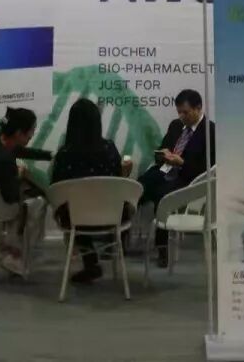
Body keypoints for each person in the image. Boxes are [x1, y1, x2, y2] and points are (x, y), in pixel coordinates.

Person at [50, 98, 133, 284]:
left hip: (76, 220)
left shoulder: (64, 155)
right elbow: (117, 181)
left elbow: (56, 188)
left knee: (71, 207)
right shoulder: (109, 148)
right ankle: (106, 253)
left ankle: (90, 262)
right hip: (112, 216)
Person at [138, 89, 215, 268]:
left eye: (185, 112)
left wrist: (181, 163)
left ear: (198, 108)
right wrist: (163, 154)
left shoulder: (210, 131)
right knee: (137, 187)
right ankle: (120, 235)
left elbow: (207, 169)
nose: (181, 116)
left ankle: (162, 249)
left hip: (187, 178)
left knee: (162, 196)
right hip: (164, 170)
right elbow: (162, 149)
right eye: (179, 112)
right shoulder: (175, 126)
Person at [0, 108, 52, 274]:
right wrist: (19, 175)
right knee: (38, 203)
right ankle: (13, 253)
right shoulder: (4, 161)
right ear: (19, 133)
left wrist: (48, 155)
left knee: (32, 192)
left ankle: (10, 246)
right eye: (31, 131)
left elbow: (17, 150)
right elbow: (12, 197)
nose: (32, 135)